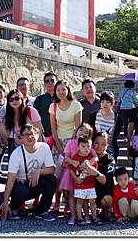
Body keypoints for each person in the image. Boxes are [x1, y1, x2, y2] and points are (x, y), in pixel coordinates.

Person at [0, 124, 57, 222]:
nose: (29, 137)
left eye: (31, 134)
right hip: (21, 185)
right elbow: (10, 180)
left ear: (37, 135)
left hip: (36, 183)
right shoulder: (16, 154)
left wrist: (39, 171)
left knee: (52, 179)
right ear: (21, 138)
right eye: (26, 135)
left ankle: (42, 211)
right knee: (20, 190)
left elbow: (52, 169)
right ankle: (14, 207)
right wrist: (5, 203)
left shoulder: (44, 147)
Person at [49, 80, 83, 216]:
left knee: (70, 174)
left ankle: (69, 203)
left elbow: (78, 127)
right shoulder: (53, 106)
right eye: (58, 90)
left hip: (72, 142)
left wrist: (71, 146)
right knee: (57, 174)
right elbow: (53, 127)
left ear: (68, 90)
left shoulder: (76, 105)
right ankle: (56, 202)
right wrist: (57, 144)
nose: (61, 92)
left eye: (63, 89)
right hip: (58, 142)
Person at [59, 123, 97, 223]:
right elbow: (66, 156)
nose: (82, 133)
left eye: (86, 132)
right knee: (72, 195)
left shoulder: (88, 145)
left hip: (84, 173)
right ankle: (73, 215)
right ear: (76, 131)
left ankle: (86, 216)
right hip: (71, 172)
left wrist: (89, 163)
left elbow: (95, 157)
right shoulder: (71, 143)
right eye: (81, 130)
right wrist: (73, 162)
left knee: (83, 196)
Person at [69, 136, 101, 226]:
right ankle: (79, 218)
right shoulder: (75, 157)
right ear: (78, 146)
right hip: (79, 184)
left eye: (88, 146)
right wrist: (76, 178)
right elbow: (70, 168)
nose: (86, 149)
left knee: (93, 201)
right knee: (79, 201)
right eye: (83, 146)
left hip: (90, 183)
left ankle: (94, 217)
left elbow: (95, 168)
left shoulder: (91, 158)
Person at [1, 89, 43, 156]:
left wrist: (34, 143)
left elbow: (39, 129)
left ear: (22, 99)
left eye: (17, 98)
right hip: (14, 145)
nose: (14, 101)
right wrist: (0, 124)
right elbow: (5, 136)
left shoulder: (30, 111)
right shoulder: (8, 114)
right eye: (11, 100)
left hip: (31, 144)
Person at [92, 131, 115, 222]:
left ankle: (105, 210)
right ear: (92, 143)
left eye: (103, 144)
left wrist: (93, 171)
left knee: (107, 199)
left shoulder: (110, 159)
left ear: (107, 145)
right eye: (97, 143)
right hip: (90, 187)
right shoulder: (89, 156)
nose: (99, 146)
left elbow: (105, 181)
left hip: (104, 189)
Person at [113, 80, 138, 160]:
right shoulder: (133, 92)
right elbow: (136, 100)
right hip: (131, 108)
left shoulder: (122, 91)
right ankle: (131, 135)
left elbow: (119, 99)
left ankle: (125, 136)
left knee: (125, 122)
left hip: (123, 108)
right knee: (131, 123)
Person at [89, 91, 117, 156]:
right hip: (94, 149)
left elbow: (115, 136)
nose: (105, 104)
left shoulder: (117, 118)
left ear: (112, 103)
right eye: (103, 102)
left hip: (109, 150)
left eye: (108, 102)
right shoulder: (93, 115)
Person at [33, 72, 57, 138]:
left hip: (61, 135)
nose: (50, 83)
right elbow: (34, 118)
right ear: (44, 84)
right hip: (45, 136)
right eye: (47, 81)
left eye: (52, 80)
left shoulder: (62, 98)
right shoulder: (39, 99)